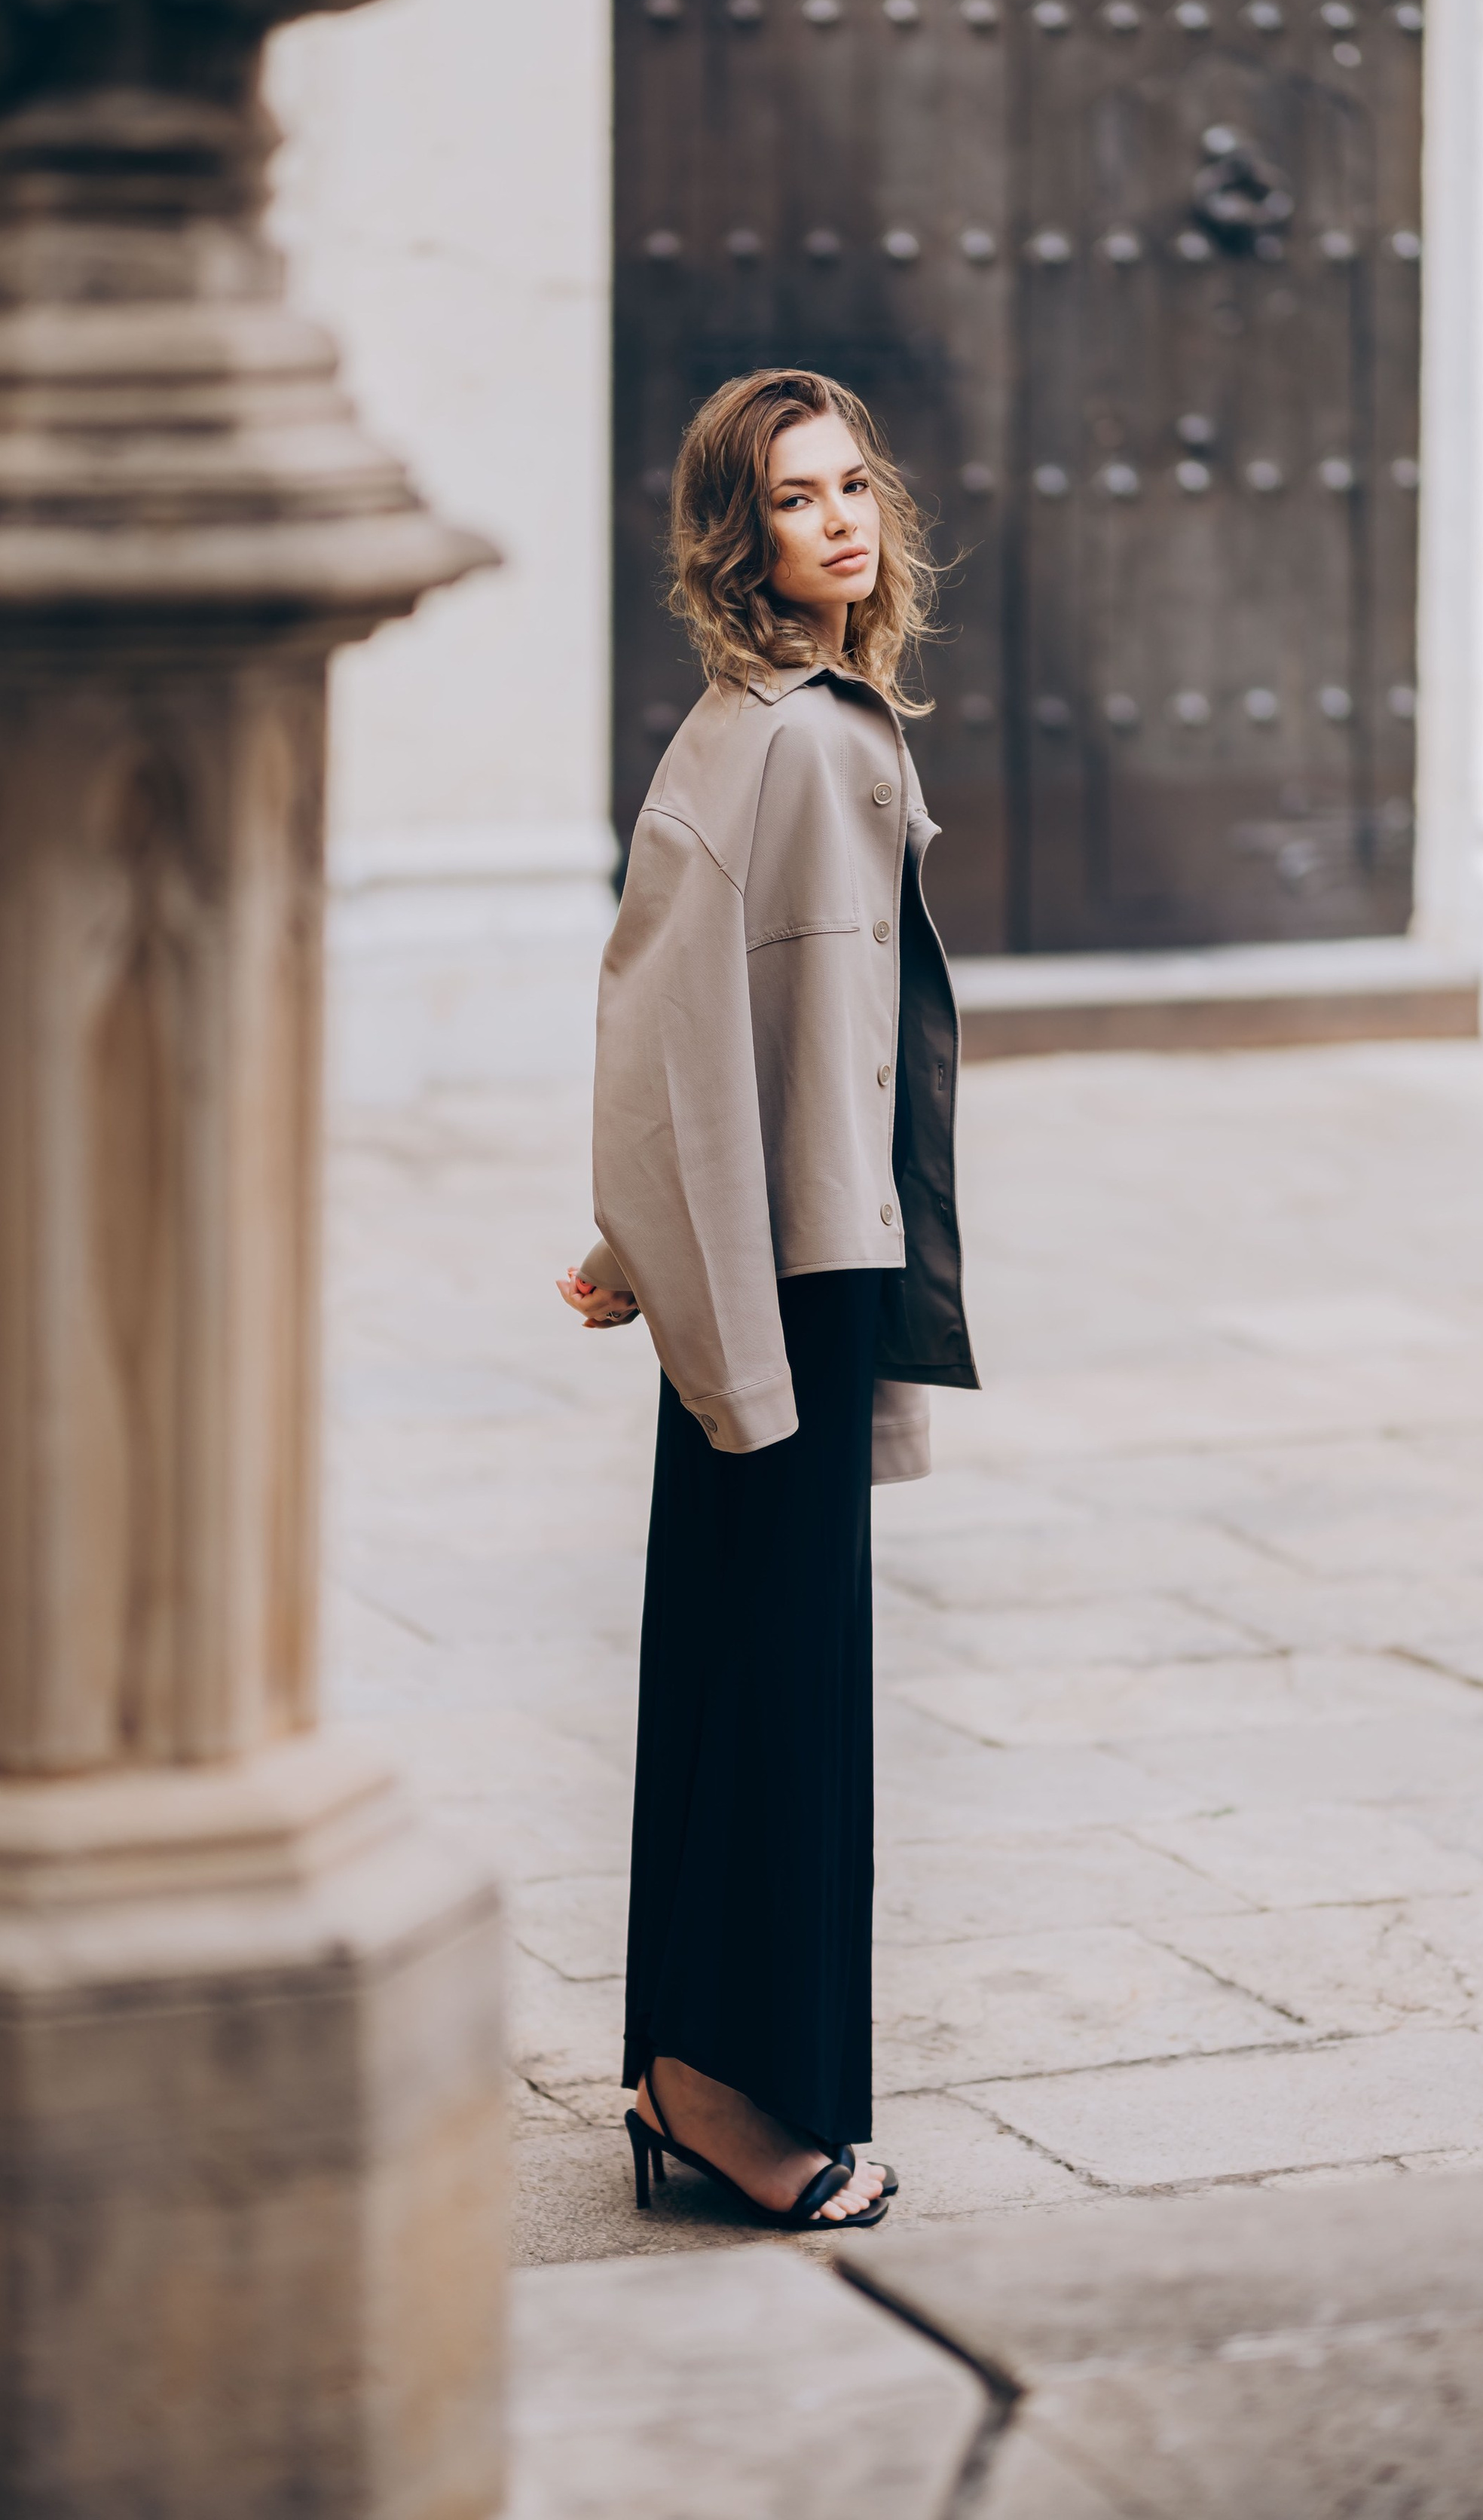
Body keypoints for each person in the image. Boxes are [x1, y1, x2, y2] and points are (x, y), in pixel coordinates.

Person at [556, 368, 977, 2231]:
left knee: (738, 1675)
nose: (838, 518)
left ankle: (684, 2077)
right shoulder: (777, 742)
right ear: (740, 541)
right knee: (774, 1693)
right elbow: (662, 1020)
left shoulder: (807, 725)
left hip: (779, 1254)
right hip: (780, 1279)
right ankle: (726, 2113)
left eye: (853, 485)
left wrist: (638, 1249)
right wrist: (656, 1250)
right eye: (794, 497)